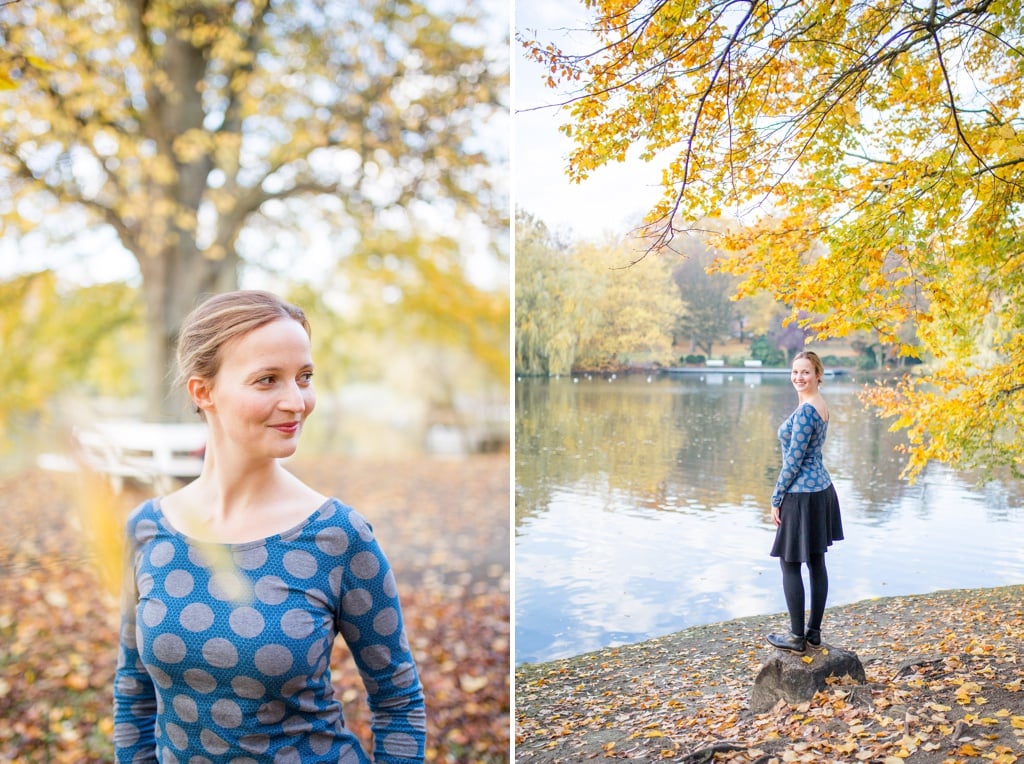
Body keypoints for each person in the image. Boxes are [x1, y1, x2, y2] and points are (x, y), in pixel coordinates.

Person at [113, 290, 426, 763]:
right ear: (203, 391)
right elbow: (133, 696)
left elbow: (398, 702)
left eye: (304, 377)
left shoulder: (338, 536)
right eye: (267, 380)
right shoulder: (147, 531)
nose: (296, 401)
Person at [765, 350, 844, 652]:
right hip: (821, 489)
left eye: (805, 372)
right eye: (795, 372)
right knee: (815, 562)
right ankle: (813, 632)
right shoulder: (818, 405)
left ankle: (797, 636)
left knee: (790, 563)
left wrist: (776, 497)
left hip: (802, 494)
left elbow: (793, 462)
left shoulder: (808, 410)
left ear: (817, 375)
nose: (799, 377)